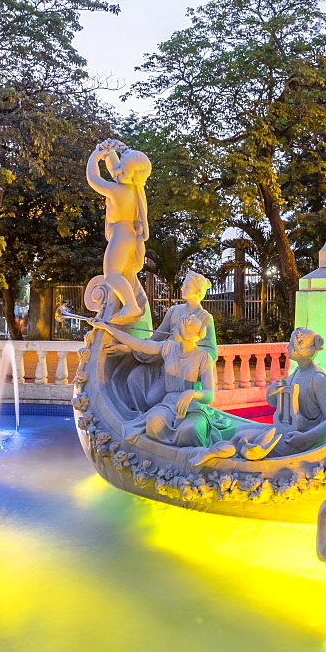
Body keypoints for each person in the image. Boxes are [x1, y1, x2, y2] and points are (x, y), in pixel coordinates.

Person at [96, 312, 219, 448]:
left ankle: (192, 461)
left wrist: (193, 393)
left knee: (190, 431)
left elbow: (209, 395)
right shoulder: (168, 347)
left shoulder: (203, 357)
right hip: (168, 404)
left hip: (193, 407)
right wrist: (108, 328)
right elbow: (140, 345)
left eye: (177, 327)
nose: (172, 331)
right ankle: (163, 456)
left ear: (183, 333)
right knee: (154, 421)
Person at [86, 139, 151, 324]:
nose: (118, 170)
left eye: (123, 169)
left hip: (121, 235)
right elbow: (116, 168)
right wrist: (109, 151)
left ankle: (131, 305)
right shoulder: (133, 188)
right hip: (127, 235)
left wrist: (95, 156)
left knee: (112, 275)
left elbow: (94, 179)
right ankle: (125, 306)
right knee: (122, 275)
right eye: (120, 166)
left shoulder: (118, 191)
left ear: (133, 176)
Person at [266, 328, 326, 455]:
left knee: (249, 440)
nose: (287, 347)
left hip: (307, 442)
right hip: (289, 431)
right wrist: (271, 391)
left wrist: (304, 438)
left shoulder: (317, 378)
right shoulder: (297, 372)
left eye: (290, 344)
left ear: (299, 350)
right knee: (242, 431)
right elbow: (274, 403)